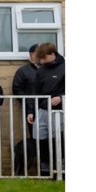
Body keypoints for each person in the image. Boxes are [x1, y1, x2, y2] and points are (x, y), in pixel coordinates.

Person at [30, 43, 65, 177]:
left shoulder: (65, 67)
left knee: (59, 139)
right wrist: (32, 111)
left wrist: (61, 98)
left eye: (44, 58)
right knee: (40, 138)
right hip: (43, 109)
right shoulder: (41, 71)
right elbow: (35, 92)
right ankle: (45, 169)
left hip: (59, 111)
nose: (42, 61)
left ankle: (61, 169)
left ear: (52, 54)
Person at [11, 44, 41, 175]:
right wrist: (29, 106)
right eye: (36, 53)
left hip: (52, 110)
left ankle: (50, 168)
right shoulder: (23, 71)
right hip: (32, 111)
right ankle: (37, 168)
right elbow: (17, 89)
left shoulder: (51, 70)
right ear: (31, 55)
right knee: (36, 139)